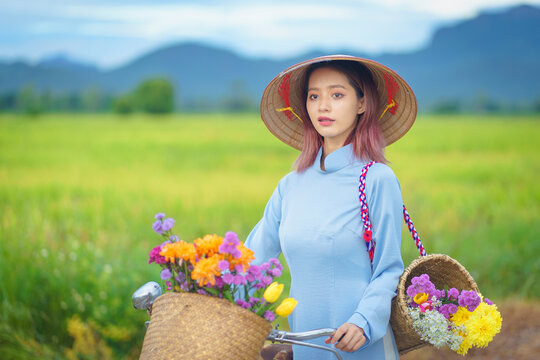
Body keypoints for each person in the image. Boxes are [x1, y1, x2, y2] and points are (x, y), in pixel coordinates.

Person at [246, 55, 417, 360]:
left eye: (337, 95)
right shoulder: (290, 185)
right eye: (314, 96)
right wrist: (203, 286)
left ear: (362, 104)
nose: (323, 106)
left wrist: (363, 322)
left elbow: (389, 268)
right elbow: (252, 258)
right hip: (305, 344)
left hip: (359, 344)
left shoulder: (376, 179)